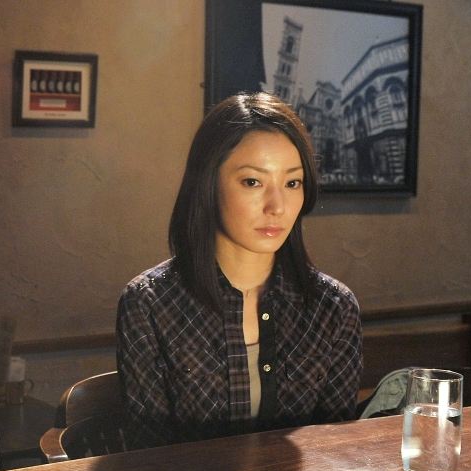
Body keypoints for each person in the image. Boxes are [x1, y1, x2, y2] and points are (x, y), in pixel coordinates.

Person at [116, 92, 362, 449]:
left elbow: (335, 451)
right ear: (208, 184)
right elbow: (150, 457)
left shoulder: (333, 308)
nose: (277, 206)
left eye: (292, 183)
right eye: (252, 182)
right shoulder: (149, 304)